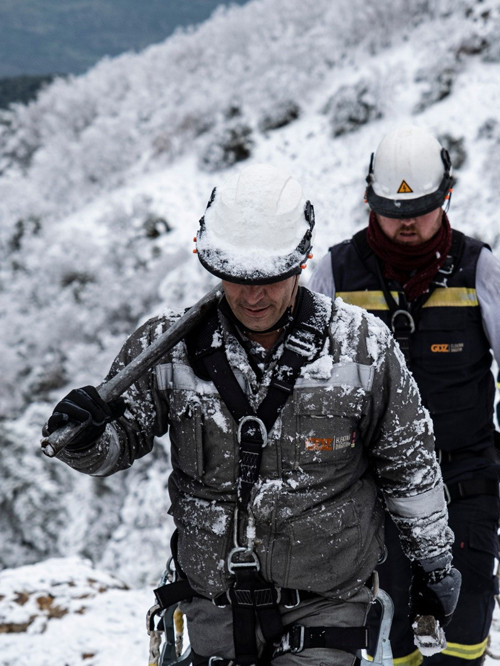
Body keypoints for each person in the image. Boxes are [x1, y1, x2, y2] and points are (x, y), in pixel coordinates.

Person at [43, 163, 461, 665]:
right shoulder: (164, 350)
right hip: (212, 611)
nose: (253, 295)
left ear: (302, 260)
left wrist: (433, 567)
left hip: (328, 607)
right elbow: (117, 443)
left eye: (270, 278)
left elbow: (409, 468)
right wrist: (86, 437)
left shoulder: (362, 347)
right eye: (237, 279)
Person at [309, 125, 500, 666]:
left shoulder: (481, 271)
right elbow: (301, 383)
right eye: (392, 210)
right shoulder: (334, 274)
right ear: (368, 199)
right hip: (368, 493)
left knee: (462, 641)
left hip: (464, 486)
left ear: (445, 196)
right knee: (388, 641)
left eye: (420, 209)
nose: (406, 223)